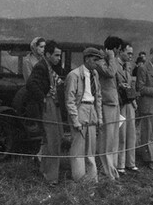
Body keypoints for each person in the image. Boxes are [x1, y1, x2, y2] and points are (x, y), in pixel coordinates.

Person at [26, 40, 63, 184]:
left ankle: (45, 171)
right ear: (47, 54)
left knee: (51, 140)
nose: (59, 59)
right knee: (53, 140)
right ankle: (51, 177)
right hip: (48, 106)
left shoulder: (48, 66)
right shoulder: (41, 67)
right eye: (56, 55)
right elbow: (31, 84)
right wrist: (43, 98)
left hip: (52, 105)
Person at [65, 47, 103, 182]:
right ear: (86, 59)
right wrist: (75, 119)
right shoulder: (74, 75)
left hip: (92, 109)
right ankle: (79, 180)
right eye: (95, 60)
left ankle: (92, 180)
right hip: (80, 109)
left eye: (98, 60)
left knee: (91, 149)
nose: (97, 63)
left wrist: (99, 117)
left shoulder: (95, 74)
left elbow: (98, 96)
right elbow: (70, 100)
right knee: (78, 149)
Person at [94, 35, 124, 181]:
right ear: (114, 49)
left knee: (112, 139)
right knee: (106, 139)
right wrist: (111, 57)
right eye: (118, 50)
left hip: (113, 102)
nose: (118, 53)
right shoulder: (101, 60)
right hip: (106, 103)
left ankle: (111, 169)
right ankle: (107, 171)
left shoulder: (107, 60)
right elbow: (111, 73)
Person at [115, 41, 139, 174]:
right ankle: (120, 164)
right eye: (128, 53)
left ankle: (131, 162)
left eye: (132, 54)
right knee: (121, 134)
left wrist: (134, 99)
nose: (131, 56)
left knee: (131, 133)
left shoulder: (128, 66)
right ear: (121, 52)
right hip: (120, 102)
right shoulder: (115, 65)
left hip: (130, 102)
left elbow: (131, 84)